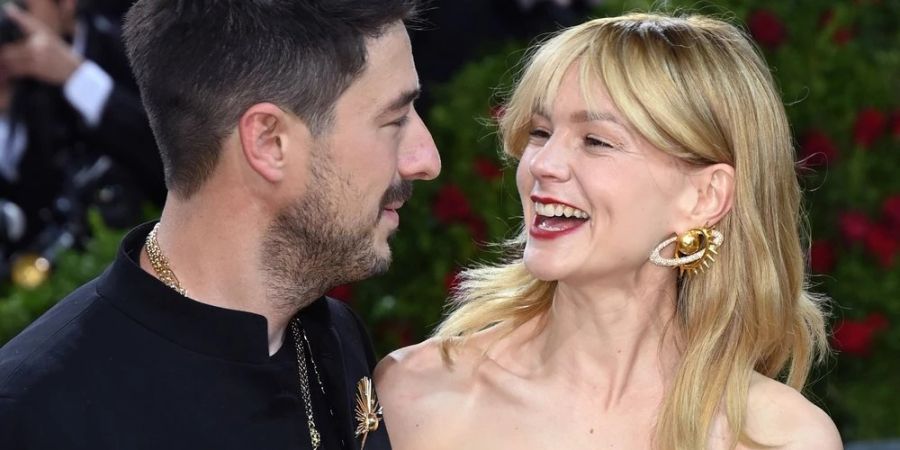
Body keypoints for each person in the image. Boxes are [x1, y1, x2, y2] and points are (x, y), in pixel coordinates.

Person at [376, 12, 842, 450]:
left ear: (704, 197)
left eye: (596, 141)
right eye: (539, 132)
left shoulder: (779, 437)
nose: (542, 164)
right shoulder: (416, 396)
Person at [0, 0, 438, 448]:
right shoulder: (35, 416)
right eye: (395, 119)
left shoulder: (335, 336)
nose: (427, 159)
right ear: (268, 142)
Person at [0, 0, 164, 253]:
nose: (13, 25)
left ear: (66, 5)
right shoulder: (24, 85)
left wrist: (74, 75)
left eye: (22, 10)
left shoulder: (135, 44)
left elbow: (169, 149)